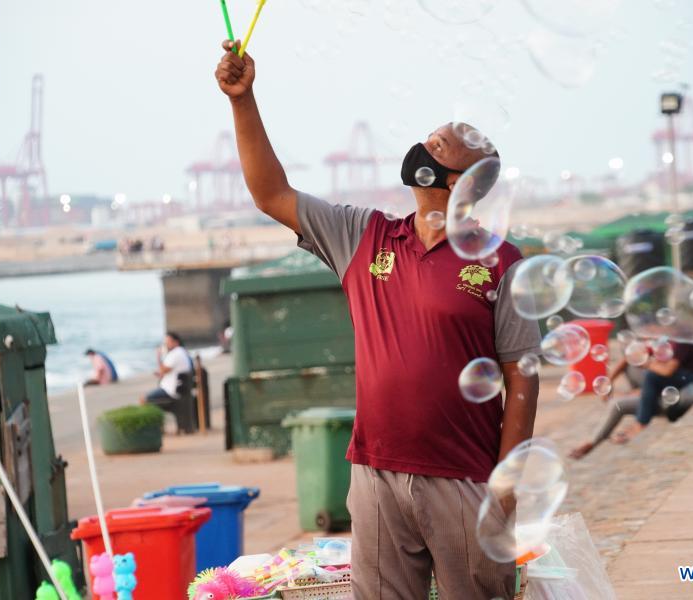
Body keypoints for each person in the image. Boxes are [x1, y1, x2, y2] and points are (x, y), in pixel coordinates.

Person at [215, 40, 541, 599]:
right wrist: (242, 100)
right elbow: (271, 194)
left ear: (462, 182)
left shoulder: (502, 263)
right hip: (374, 473)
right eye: (429, 137)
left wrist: (505, 488)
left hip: (465, 479)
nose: (425, 145)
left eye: (440, 144)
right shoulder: (364, 235)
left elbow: (522, 377)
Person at [569, 341, 693, 460]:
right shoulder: (664, 340)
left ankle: (640, 424)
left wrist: (646, 362)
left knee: (652, 375)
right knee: (618, 404)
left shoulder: (682, 339)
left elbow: (667, 370)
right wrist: (608, 381)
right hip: (675, 390)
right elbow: (630, 357)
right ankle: (592, 443)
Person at [141, 332, 193, 409]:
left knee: (143, 398)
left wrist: (159, 356)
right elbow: (165, 371)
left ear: (176, 342)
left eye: (168, 342)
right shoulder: (182, 352)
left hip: (171, 391)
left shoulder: (175, 354)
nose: (166, 344)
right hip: (182, 388)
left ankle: (151, 415)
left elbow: (162, 370)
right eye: (166, 342)